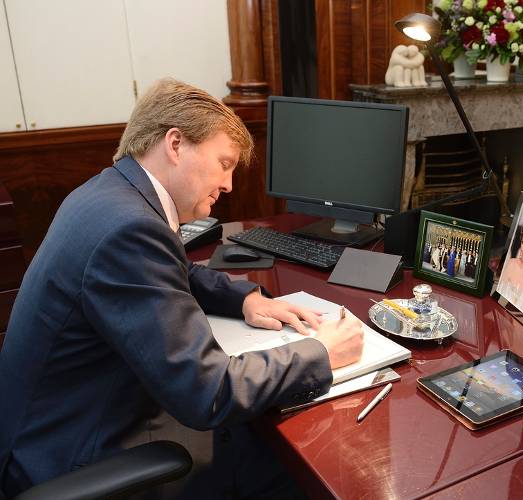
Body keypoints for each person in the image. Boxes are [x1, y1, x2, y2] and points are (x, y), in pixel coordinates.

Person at [0, 79, 365, 499]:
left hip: (48, 428)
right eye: (224, 163)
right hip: (76, 456)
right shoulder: (130, 228)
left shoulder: (110, 194)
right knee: (287, 460)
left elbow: (174, 270)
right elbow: (208, 393)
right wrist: (321, 353)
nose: (229, 184)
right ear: (175, 144)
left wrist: (244, 298)